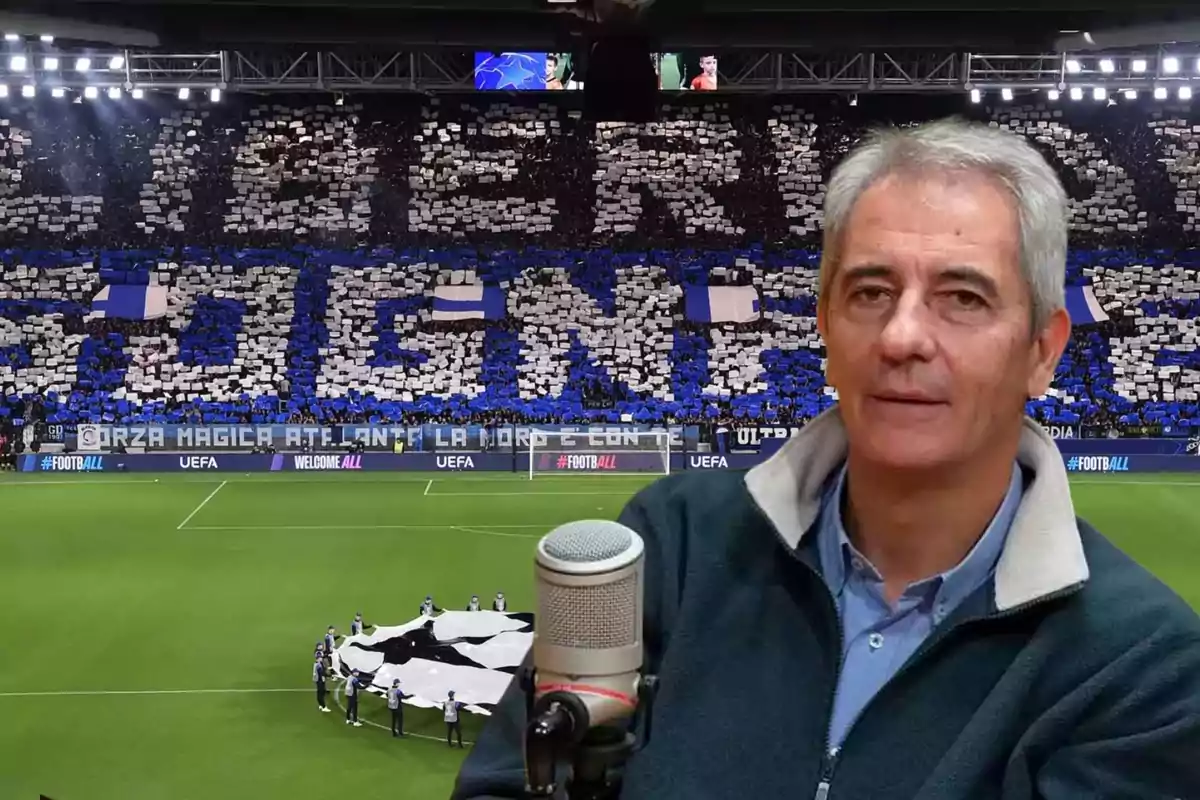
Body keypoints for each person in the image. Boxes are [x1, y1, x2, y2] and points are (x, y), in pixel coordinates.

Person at [453, 118, 1200, 799]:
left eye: (963, 298)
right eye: (871, 291)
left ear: (1043, 351)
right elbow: (510, 784)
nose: (903, 337)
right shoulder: (674, 544)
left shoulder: (1143, 668)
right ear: (824, 326)